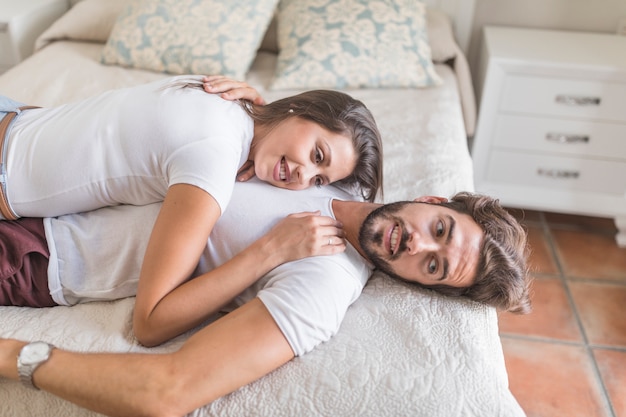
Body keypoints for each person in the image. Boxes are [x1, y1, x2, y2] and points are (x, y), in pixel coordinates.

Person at [0, 177, 530, 417]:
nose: (417, 244)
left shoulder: (324, 285)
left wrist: (14, 356)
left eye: (432, 266)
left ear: (420, 283)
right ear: (434, 199)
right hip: (38, 175)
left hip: (37, 247)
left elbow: (168, 391)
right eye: (439, 227)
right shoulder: (345, 171)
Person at [0, 75, 383, 344]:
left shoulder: (225, 98)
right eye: (317, 154)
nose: (303, 176)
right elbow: (150, 324)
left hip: (15, 116)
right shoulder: (213, 158)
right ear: (299, 108)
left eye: (318, 180)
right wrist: (271, 250)